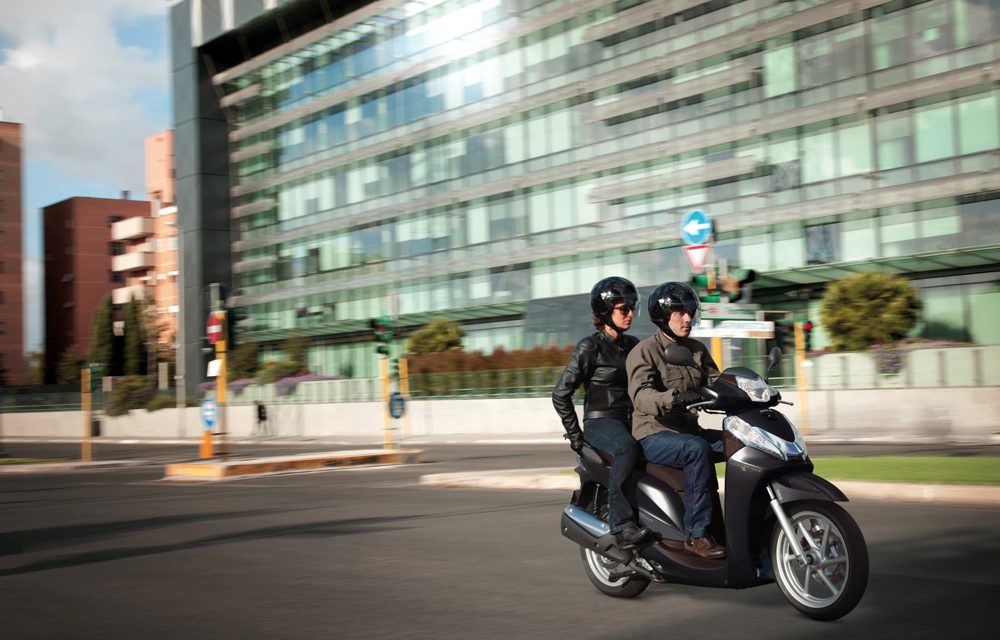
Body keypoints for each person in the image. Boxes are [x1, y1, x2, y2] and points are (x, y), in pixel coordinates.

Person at [626, 281, 726, 559]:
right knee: (696, 449)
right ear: (662, 317)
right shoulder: (645, 351)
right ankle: (696, 535)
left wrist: (750, 389)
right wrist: (673, 398)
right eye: (680, 313)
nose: (688, 318)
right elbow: (642, 396)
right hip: (654, 434)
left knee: (743, 443)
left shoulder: (696, 349)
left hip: (687, 430)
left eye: (690, 311)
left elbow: (717, 382)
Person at [552, 277, 652, 549]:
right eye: (624, 309)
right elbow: (561, 393)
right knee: (627, 448)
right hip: (601, 422)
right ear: (605, 312)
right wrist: (577, 437)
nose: (630, 313)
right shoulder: (590, 346)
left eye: (632, 308)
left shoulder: (633, 344)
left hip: (632, 420)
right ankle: (621, 526)